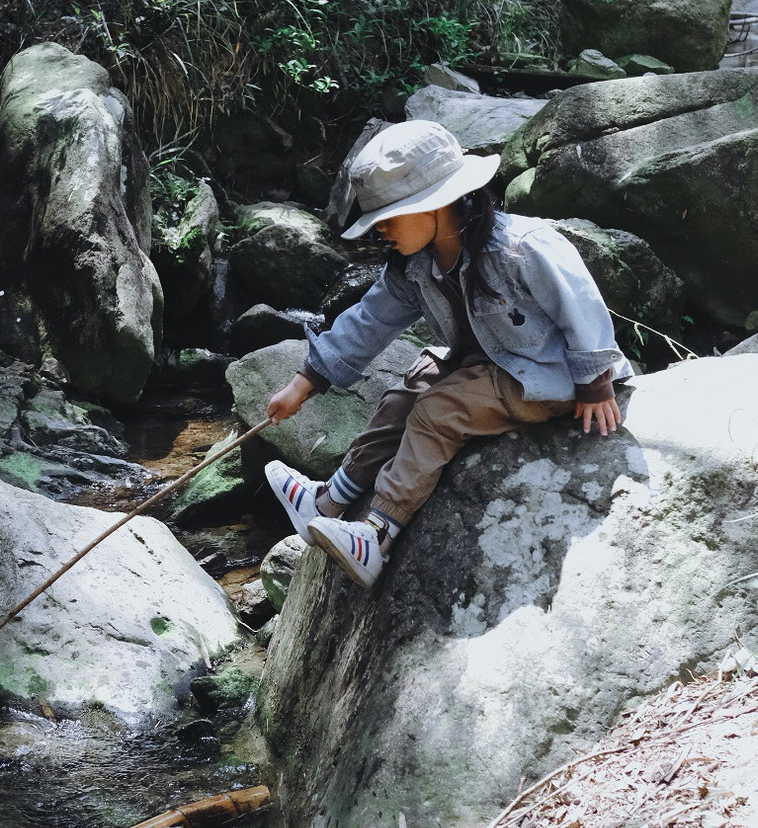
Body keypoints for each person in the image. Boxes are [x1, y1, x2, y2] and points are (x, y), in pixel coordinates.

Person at [264, 119, 632, 589]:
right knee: (406, 393)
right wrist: (305, 382)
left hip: (544, 375)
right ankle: (329, 501)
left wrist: (595, 381)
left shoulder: (520, 246)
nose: (381, 233)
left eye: (388, 220)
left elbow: (578, 301)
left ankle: (376, 536)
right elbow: (369, 320)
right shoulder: (414, 266)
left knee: (437, 411)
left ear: (434, 204)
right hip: (483, 363)